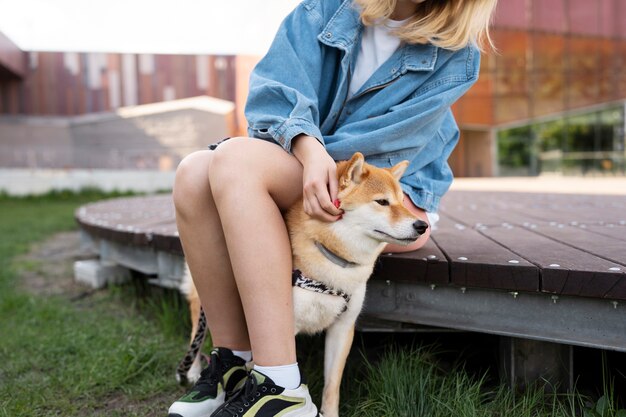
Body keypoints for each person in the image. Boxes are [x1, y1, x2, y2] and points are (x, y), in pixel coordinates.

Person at [168, 0, 497, 416]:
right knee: (194, 173)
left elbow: (383, 152)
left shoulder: (457, 55)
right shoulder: (325, 9)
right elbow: (274, 92)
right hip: (305, 163)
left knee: (232, 161)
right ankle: (234, 362)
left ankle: (281, 386)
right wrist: (308, 148)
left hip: (387, 195)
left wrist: (313, 156)